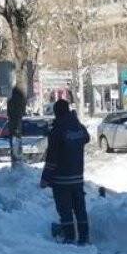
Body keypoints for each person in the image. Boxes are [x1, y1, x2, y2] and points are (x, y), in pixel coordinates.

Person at [40, 100, 91, 244]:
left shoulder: (57, 130)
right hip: (77, 176)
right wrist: (75, 120)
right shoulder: (77, 127)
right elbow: (86, 138)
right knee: (80, 208)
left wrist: (45, 178)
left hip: (61, 178)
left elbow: (52, 157)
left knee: (65, 210)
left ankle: (69, 237)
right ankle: (84, 237)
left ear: (56, 112)